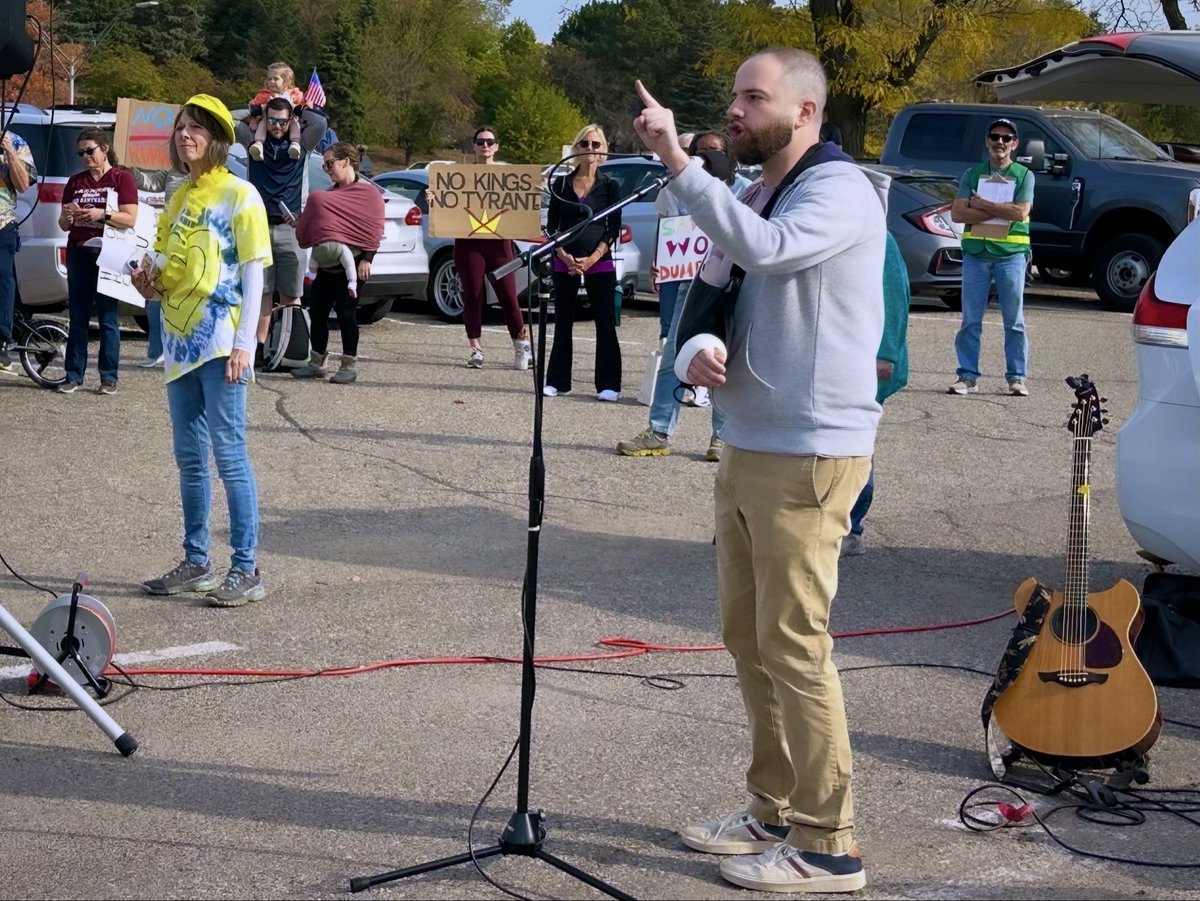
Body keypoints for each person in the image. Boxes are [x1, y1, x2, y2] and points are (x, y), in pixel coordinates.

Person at [634, 48, 887, 894]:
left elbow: (771, 253)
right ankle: (771, 807)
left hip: (811, 454)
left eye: (754, 97)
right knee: (749, 638)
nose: (735, 110)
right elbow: (713, 295)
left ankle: (829, 844)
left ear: (805, 113)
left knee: (795, 645)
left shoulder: (839, 190)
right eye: (733, 95)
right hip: (747, 444)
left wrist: (679, 163)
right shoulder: (754, 192)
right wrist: (699, 351)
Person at [133, 95, 272, 608]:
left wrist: (245, 346)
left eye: (196, 129)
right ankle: (197, 560)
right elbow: (166, 263)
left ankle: (246, 567)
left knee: (230, 458)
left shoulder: (241, 195)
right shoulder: (179, 196)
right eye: (181, 128)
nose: (185, 135)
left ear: (216, 138)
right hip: (178, 344)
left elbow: (256, 271)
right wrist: (147, 281)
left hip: (221, 345)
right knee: (190, 459)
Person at [617, 130, 740, 462]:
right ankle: (658, 431)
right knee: (673, 355)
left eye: (715, 152)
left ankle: (722, 437)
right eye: (700, 152)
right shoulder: (677, 190)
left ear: (728, 155)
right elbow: (670, 230)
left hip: (731, 288)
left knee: (724, 360)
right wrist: (660, 262)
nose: (706, 158)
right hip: (689, 284)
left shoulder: (744, 191)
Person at [948, 117, 1034, 397]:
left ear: (1015, 144)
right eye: (995, 136)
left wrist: (982, 204)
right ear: (987, 141)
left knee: (1014, 321)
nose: (1000, 142)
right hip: (976, 255)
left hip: (1010, 256)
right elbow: (958, 213)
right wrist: (999, 209)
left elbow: (1020, 212)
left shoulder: (1024, 175)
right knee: (971, 319)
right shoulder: (972, 174)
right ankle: (967, 377)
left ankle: (1017, 377)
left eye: (1006, 138)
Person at [233, 95, 327, 346]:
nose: (277, 127)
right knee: (260, 291)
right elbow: (229, 118)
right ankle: (260, 346)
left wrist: (297, 109)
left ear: (291, 122)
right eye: (272, 121)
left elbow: (320, 124)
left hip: (290, 228)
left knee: (291, 293)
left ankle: (289, 346)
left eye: (283, 122)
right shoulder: (254, 142)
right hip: (259, 227)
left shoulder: (302, 144)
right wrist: (256, 108)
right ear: (265, 119)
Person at [291, 142, 385, 384]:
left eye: (330, 163)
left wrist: (367, 258)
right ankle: (316, 362)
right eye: (324, 165)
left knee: (346, 314)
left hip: (352, 265)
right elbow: (321, 227)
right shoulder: (330, 195)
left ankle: (349, 365)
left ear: (346, 161)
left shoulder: (369, 193)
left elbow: (374, 229)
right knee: (318, 313)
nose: (327, 169)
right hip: (325, 265)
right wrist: (300, 224)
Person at [841, 231, 910, 557]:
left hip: (865, 366)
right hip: (838, 362)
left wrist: (886, 354)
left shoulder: (879, 238)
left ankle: (851, 528)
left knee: (855, 448)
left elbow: (895, 295)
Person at [55, 128, 139, 394]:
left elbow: (130, 218)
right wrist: (69, 217)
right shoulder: (75, 182)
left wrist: (99, 214)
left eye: (89, 151)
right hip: (80, 250)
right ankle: (73, 375)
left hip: (108, 252)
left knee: (107, 317)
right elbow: (63, 223)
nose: (85, 157)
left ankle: (108, 377)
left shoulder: (121, 178)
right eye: (81, 153)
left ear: (104, 148)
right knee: (78, 316)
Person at [544, 124, 622, 401]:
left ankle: (608, 384)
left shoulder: (610, 186)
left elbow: (613, 227)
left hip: (598, 259)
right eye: (585, 144)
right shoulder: (561, 184)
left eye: (595, 144)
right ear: (576, 149)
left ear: (603, 150)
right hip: (565, 258)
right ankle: (558, 380)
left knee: (604, 321)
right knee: (563, 320)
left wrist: (592, 258)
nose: (590, 149)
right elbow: (552, 225)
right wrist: (563, 254)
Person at [443, 126, 530, 370]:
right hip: (469, 243)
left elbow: (521, 202)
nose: (485, 145)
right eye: (480, 141)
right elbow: (446, 203)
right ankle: (476, 349)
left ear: (497, 146)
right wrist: (435, 198)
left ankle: (521, 346)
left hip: (500, 243)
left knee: (509, 296)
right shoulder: (460, 175)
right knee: (472, 295)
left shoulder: (508, 174)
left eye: (490, 141)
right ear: (474, 146)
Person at [0, 128, 35, 377]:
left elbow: (24, 185)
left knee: (3, 281)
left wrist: (9, 152)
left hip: (2, 224)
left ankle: (2, 342)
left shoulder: (16, 141)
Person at [247, 62, 306, 161]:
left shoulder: (294, 94)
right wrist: (252, 120)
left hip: (290, 122)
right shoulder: (264, 95)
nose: (271, 82)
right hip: (268, 122)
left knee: (294, 123)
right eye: (269, 79)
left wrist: (299, 106)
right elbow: (251, 107)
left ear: (287, 81)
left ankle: (295, 144)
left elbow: (304, 106)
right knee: (262, 122)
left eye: (276, 79)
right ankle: (258, 144)